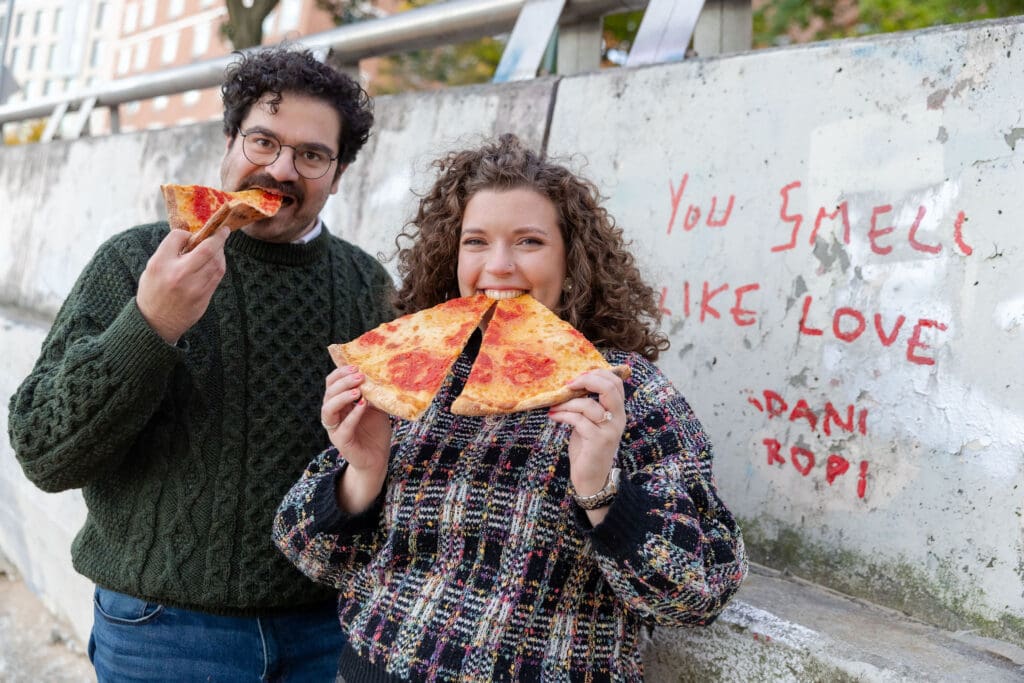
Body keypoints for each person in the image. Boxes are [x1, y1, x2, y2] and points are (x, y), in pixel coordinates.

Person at [273, 133, 748, 681]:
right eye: (476, 241)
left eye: (528, 242)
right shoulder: (417, 372)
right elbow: (304, 551)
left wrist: (600, 490)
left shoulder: (622, 389)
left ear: (573, 259)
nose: (498, 266)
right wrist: (363, 471)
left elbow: (697, 596)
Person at [7, 47, 394, 681]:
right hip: (162, 633)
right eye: (263, 141)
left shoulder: (368, 287)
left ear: (340, 172)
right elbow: (44, 452)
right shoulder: (134, 261)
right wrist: (151, 323)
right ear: (228, 139)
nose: (281, 171)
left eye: (312, 155)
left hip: (326, 630)